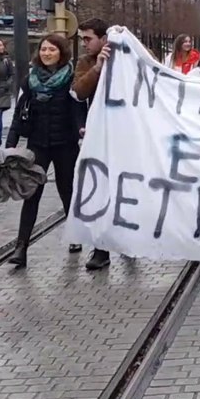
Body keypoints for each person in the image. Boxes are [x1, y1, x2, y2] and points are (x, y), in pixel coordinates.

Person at [7, 34, 88, 267]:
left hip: (65, 144)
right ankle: (21, 247)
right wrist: (10, 144)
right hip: (37, 145)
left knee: (67, 192)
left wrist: (81, 129)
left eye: (51, 49)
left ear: (61, 52)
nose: (46, 53)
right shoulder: (30, 80)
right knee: (31, 195)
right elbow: (19, 112)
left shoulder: (72, 78)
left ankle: (75, 235)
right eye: (43, 49)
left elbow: (77, 109)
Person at [71, 18, 115, 270]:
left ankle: (127, 238)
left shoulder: (126, 56)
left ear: (104, 39)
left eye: (88, 39)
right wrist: (97, 68)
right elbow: (78, 91)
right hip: (100, 135)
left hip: (126, 134)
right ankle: (101, 249)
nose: (85, 43)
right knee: (99, 191)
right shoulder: (86, 62)